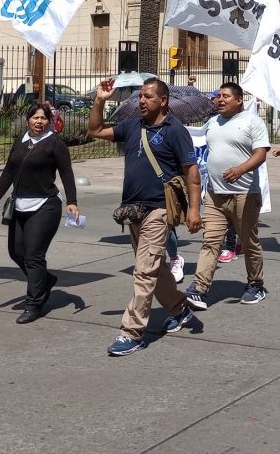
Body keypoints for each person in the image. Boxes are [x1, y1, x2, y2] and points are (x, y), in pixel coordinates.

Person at [88, 78, 201, 356]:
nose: (142, 100)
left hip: (159, 209)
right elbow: (95, 130)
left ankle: (132, 332)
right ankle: (179, 307)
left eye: (148, 96)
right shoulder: (132, 125)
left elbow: (192, 173)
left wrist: (195, 210)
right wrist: (101, 99)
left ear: (162, 100)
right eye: (140, 96)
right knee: (155, 268)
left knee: (144, 271)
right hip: (134, 210)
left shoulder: (175, 130)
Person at [0, 103, 78, 324]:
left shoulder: (55, 143)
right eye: (35, 118)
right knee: (16, 252)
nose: (39, 122)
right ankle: (45, 280)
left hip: (45, 205)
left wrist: (72, 202)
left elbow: (66, 173)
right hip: (19, 205)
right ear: (28, 120)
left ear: (50, 121)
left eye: (43, 118)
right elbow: (9, 170)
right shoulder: (21, 140)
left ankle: (34, 304)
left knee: (34, 255)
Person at [186, 83, 271, 310]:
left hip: (245, 194)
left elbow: (261, 153)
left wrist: (240, 170)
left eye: (225, 96)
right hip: (215, 196)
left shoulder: (253, 122)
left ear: (239, 100)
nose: (220, 100)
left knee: (249, 241)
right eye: (218, 96)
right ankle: (199, 288)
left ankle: (256, 284)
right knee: (210, 242)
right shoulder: (212, 123)